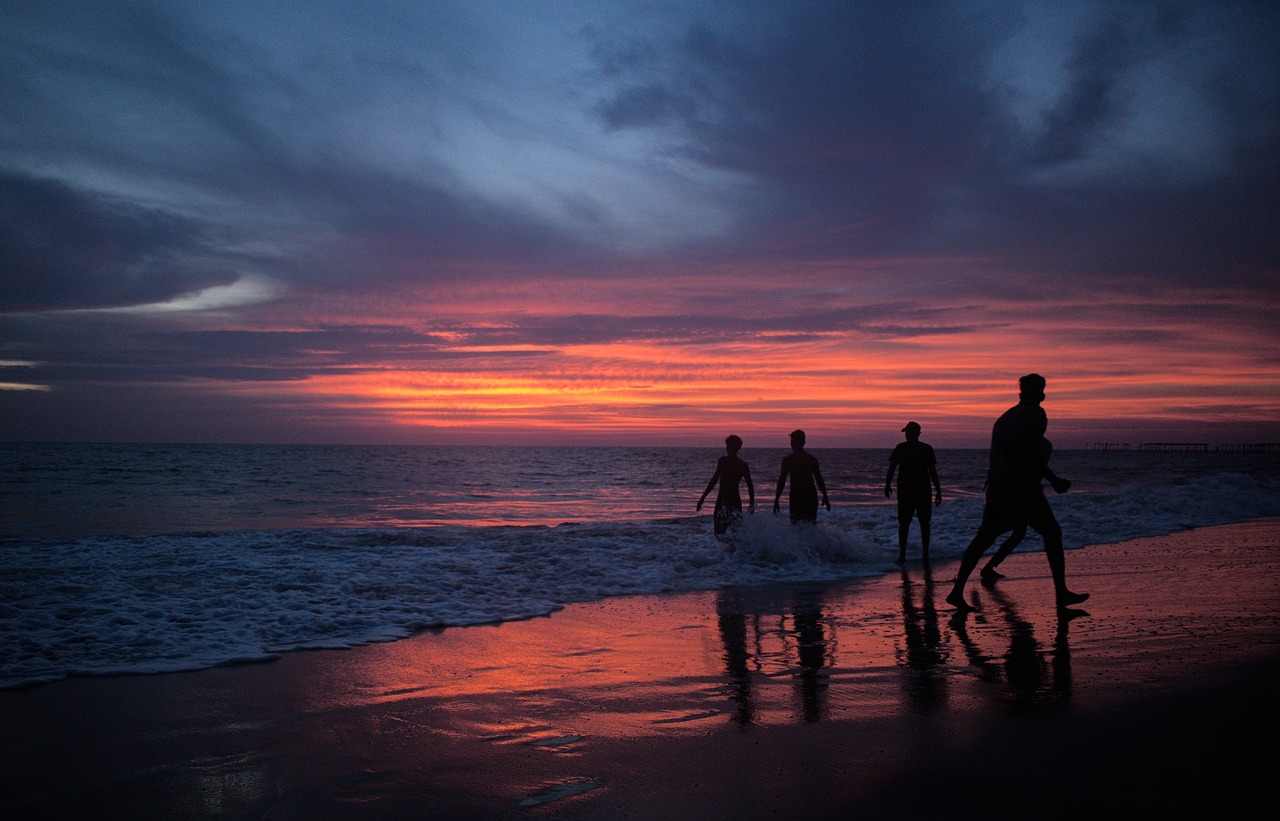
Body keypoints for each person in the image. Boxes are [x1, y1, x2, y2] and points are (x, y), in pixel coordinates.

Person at [946, 374, 1088, 611]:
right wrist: (1053, 480)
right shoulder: (1035, 415)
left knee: (984, 538)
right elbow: (1028, 453)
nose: (1044, 393)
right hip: (1022, 487)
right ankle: (1061, 593)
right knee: (1052, 533)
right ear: (1039, 392)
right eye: (1043, 389)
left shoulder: (1005, 417)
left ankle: (957, 590)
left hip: (997, 486)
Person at [980, 438, 1070, 581]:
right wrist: (1054, 481)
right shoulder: (1041, 445)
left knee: (1014, 533)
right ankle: (983, 569)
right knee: (1041, 533)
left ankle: (986, 568)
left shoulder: (1015, 443)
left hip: (1013, 494)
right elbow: (1036, 467)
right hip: (1024, 495)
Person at [885, 421, 943, 562]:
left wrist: (887, 484)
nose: (906, 435)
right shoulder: (923, 448)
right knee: (918, 523)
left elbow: (892, 468)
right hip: (918, 490)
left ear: (915, 433)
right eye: (906, 433)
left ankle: (907, 554)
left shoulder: (905, 448)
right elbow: (932, 472)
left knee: (910, 523)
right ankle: (918, 554)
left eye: (908, 432)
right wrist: (938, 490)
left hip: (910, 490)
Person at [697, 434, 756, 537]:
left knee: (719, 534)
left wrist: (702, 498)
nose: (727, 448)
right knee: (735, 533)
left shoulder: (723, 461)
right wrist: (751, 504)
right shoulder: (742, 464)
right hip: (735, 501)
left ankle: (726, 552)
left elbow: (714, 481)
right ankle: (733, 552)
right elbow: (750, 487)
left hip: (723, 500)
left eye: (728, 445)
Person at [773, 429, 830, 524]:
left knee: (796, 526)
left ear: (792, 443)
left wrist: (776, 500)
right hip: (811, 496)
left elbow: (782, 481)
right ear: (804, 442)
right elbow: (819, 479)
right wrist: (825, 496)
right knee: (811, 524)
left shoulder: (788, 460)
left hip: (796, 496)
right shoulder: (812, 459)